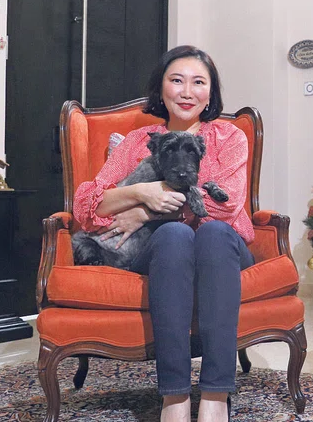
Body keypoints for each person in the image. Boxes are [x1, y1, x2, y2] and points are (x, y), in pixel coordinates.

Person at [73, 45, 254, 422]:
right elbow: (87, 205)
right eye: (177, 80)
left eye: (198, 82)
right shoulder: (139, 141)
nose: (187, 91)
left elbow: (226, 205)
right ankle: (174, 398)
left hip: (223, 249)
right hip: (162, 251)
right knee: (174, 235)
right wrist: (142, 192)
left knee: (213, 233)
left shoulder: (229, 137)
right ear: (161, 88)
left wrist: (145, 211)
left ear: (210, 93)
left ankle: (215, 396)